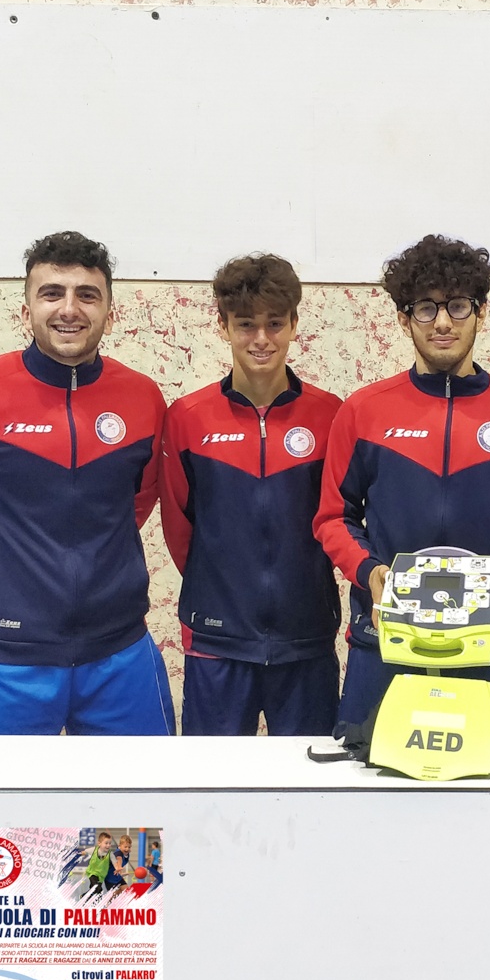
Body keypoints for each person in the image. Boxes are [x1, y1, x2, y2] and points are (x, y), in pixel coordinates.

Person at [314, 235, 490, 737]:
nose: (443, 322)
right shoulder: (363, 412)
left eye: (457, 305)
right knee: (368, 785)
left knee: (489, 787)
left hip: (484, 648)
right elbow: (333, 518)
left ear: (481, 312)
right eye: (426, 308)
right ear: (403, 318)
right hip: (383, 647)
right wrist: (369, 571)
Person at [0, 232, 173, 735]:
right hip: (8, 657)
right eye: (52, 293)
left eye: (87, 295)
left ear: (109, 313)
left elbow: (140, 499)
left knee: (141, 790)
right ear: (27, 310)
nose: (69, 309)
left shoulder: (143, 397)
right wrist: (10, 568)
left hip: (120, 652)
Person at [159, 255, 343, 735]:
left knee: (310, 776)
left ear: (294, 325)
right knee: (212, 779)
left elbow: (341, 520)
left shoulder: (331, 415)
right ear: (223, 326)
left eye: (274, 323)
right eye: (245, 324)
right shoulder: (187, 417)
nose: (261, 338)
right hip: (217, 642)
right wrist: (221, 591)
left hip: (306, 640)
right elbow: (179, 527)